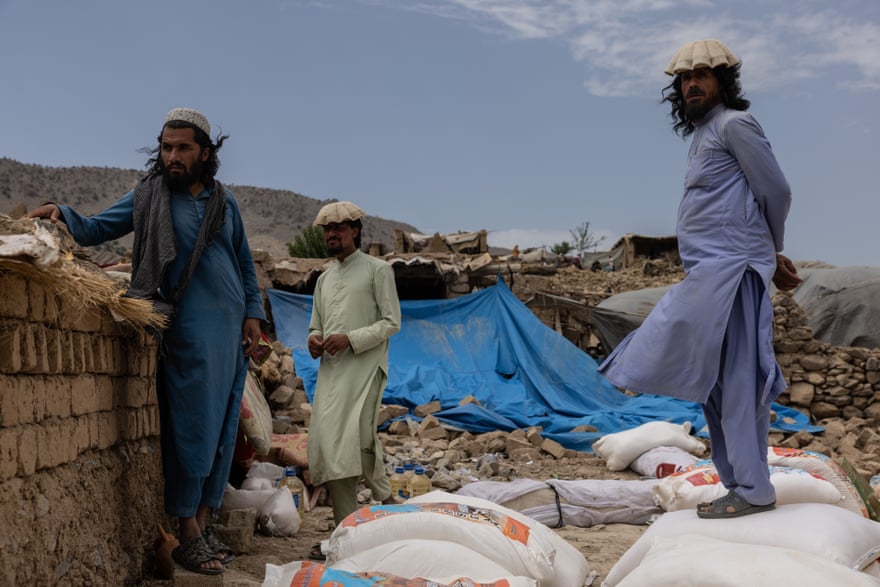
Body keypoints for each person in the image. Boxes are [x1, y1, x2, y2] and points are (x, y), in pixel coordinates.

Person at [25, 108, 265, 573]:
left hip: (230, 329)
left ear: (206, 153)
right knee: (191, 427)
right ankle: (186, 531)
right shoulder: (149, 196)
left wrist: (253, 312)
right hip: (189, 328)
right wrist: (62, 213)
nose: (172, 156)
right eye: (166, 147)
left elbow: (243, 260)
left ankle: (202, 521)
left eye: (183, 148)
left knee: (220, 431)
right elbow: (97, 227)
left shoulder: (224, 201)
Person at [599, 39, 801, 519]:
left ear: (722, 82)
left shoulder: (735, 124)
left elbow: (776, 190)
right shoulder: (702, 136)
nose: (692, 83)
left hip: (733, 272)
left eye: (703, 75)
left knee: (736, 379)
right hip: (708, 275)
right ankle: (736, 481)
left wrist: (769, 253)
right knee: (712, 382)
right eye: (685, 78)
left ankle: (753, 489)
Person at [306, 201, 401, 556]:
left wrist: (351, 338)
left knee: (360, 438)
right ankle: (345, 534)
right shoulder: (324, 279)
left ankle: (388, 504)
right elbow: (315, 324)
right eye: (327, 229)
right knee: (334, 449)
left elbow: (391, 322)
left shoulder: (379, 270)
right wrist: (313, 340)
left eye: (339, 228)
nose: (332, 234)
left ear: (355, 230)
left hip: (365, 369)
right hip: (332, 374)